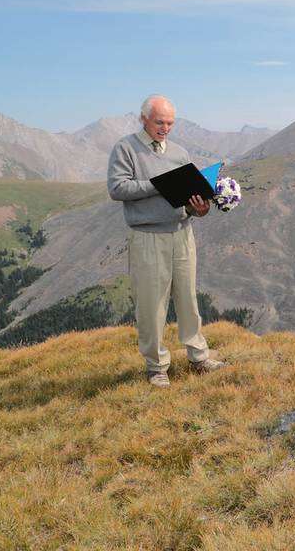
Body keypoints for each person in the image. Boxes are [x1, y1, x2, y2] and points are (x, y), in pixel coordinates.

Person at [107, 94, 227, 388]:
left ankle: (199, 358)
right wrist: (161, 184)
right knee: (151, 305)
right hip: (148, 237)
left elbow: (187, 199)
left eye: (170, 123)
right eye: (160, 122)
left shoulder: (179, 152)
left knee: (188, 299)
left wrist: (198, 209)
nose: (165, 128)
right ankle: (156, 367)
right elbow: (117, 188)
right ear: (143, 119)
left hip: (182, 234)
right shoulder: (126, 148)